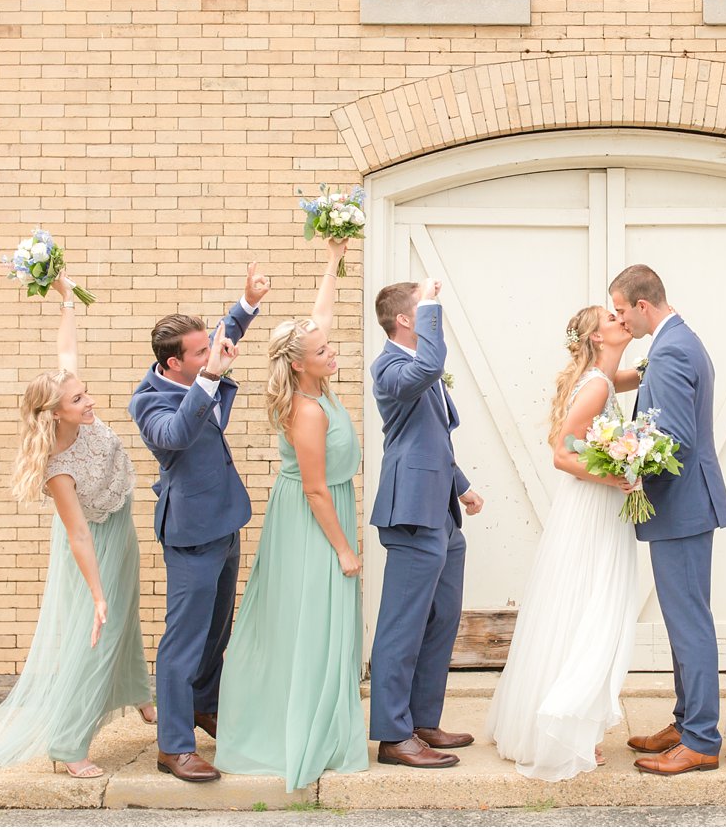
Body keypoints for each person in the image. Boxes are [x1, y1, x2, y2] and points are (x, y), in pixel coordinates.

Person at [0, 275, 153, 780]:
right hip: (95, 544)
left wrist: (66, 298)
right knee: (98, 634)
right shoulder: (58, 466)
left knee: (127, 619)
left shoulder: (74, 407)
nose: (90, 402)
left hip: (121, 526)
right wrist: (96, 592)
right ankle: (67, 744)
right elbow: (79, 535)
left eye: (84, 394)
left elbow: (67, 346)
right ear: (56, 413)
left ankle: (138, 694)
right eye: (80, 400)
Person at [214, 238, 368, 789]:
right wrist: (346, 550)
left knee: (321, 625)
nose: (335, 353)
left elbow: (319, 317)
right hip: (313, 524)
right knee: (308, 624)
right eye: (325, 351)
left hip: (324, 511)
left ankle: (322, 716)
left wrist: (333, 259)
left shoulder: (314, 381)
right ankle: (293, 727)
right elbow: (315, 490)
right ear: (301, 364)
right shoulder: (307, 411)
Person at [129, 264, 271, 783]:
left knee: (217, 630)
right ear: (175, 363)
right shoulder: (148, 401)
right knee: (183, 639)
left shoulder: (194, 366)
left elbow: (222, 334)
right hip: (190, 530)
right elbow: (175, 436)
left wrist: (247, 302)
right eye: (199, 353)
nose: (211, 353)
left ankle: (201, 705)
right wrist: (211, 375)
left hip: (225, 518)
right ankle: (173, 745)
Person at [487, 305, 639, 781]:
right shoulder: (595, 386)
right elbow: (560, 453)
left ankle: (567, 721)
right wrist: (615, 478)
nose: (622, 320)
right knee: (594, 609)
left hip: (589, 508)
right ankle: (568, 726)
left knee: (578, 605)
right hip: (595, 506)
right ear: (596, 338)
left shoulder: (602, 379)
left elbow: (626, 378)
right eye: (612, 319)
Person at [609, 264, 726, 777]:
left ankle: (702, 738)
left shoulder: (673, 348)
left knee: (689, 624)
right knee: (685, 620)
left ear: (643, 304)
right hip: (683, 505)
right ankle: (685, 723)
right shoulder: (676, 341)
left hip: (680, 505)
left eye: (621, 312)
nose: (621, 322)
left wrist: (626, 460)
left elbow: (675, 438)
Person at [367, 278, 484, 769]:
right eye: (425, 310)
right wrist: (434, 304)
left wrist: (460, 483)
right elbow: (431, 363)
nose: (435, 315)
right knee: (403, 624)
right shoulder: (391, 367)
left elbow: (431, 435)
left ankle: (421, 719)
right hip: (411, 510)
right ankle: (394, 736)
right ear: (406, 320)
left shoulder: (418, 366)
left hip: (441, 507)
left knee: (441, 618)